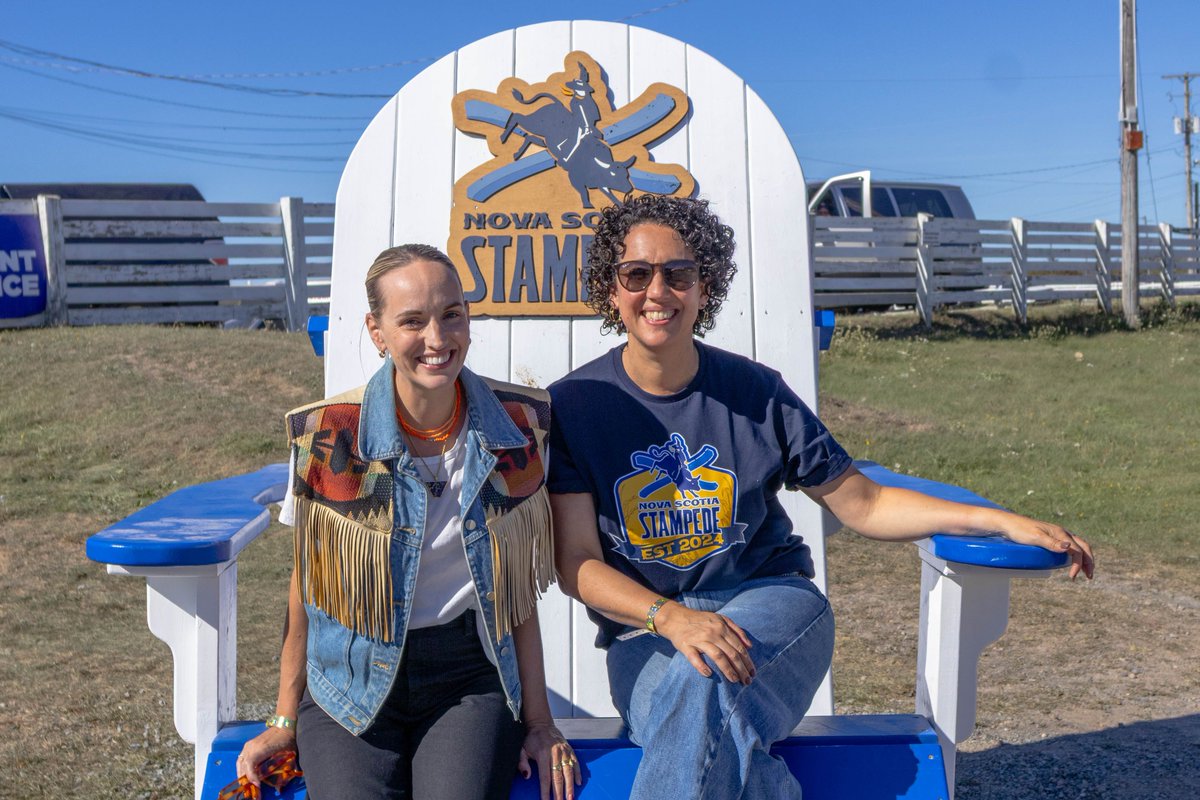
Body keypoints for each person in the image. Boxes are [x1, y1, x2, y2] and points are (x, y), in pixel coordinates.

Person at [547, 195, 1094, 800]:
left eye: (679, 273)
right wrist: (673, 618)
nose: (659, 291)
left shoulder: (756, 394)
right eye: (637, 274)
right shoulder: (575, 406)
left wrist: (1000, 520)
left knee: (700, 690)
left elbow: (864, 503)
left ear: (705, 287)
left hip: (769, 607)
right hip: (648, 635)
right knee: (707, 721)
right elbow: (577, 562)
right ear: (610, 286)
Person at [236, 244, 582, 800]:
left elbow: (515, 594)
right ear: (377, 331)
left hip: (466, 678)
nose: (438, 339)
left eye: (452, 314)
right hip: (350, 675)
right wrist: (282, 719)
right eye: (412, 321)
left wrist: (539, 723)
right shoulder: (330, 434)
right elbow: (308, 586)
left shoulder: (520, 426)